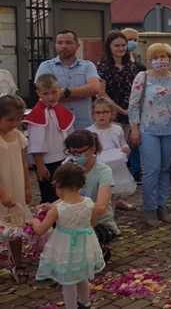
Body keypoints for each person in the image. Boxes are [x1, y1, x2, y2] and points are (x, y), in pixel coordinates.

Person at [33, 163, 105, 309]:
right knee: (81, 275)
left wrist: (34, 220)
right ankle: (85, 302)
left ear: (57, 184)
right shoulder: (89, 203)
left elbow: (41, 230)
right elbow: (94, 223)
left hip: (66, 247)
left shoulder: (57, 208)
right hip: (84, 245)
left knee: (68, 281)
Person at [128, 43, 171, 227]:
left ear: (170, 58)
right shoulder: (142, 77)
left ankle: (162, 205)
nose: (160, 60)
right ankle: (149, 208)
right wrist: (134, 128)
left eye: (164, 56)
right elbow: (133, 103)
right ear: (150, 60)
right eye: (156, 57)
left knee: (165, 169)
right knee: (152, 169)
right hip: (148, 130)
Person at [64, 130, 116, 263]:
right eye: (71, 152)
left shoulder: (104, 171)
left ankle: (99, 250)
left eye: (78, 152)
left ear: (92, 149)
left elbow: (101, 207)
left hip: (101, 223)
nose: (74, 156)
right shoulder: (67, 168)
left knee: (78, 237)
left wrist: (70, 207)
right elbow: (62, 197)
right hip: (73, 220)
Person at [96, 30, 141, 181]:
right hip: (112, 115)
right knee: (111, 152)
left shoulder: (130, 65)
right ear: (109, 46)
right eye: (117, 45)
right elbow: (101, 92)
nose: (121, 48)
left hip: (129, 115)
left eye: (123, 45)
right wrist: (120, 110)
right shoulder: (103, 66)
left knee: (126, 151)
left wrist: (132, 110)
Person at [35, 30, 100, 130]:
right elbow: (45, 96)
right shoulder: (46, 66)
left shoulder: (88, 66)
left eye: (68, 42)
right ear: (55, 45)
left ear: (77, 46)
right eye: (60, 43)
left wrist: (63, 93)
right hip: (57, 126)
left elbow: (94, 88)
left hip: (84, 125)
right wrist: (82, 94)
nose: (64, 46)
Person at [24, 73, 74, 204]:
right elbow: (36, 143)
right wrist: (40, 166)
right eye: (46, 94)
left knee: (64, 192)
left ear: (59, 90)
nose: (51, 97)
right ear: (38, 93)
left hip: (64, 158)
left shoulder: (60, 109)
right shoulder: (37, 114)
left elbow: (69, 134)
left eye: (54, 92)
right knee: (50, 195)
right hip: (47, 162)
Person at [0, 94, 31, 286]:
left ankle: (17, 262)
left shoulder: (17, 136)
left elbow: (23, 163)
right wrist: (2, 193)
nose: (15, 123)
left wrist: (27, 187)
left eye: (18, 119)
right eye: (10, 119)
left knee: (15, 228)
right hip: (2, 188)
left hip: (15, 187)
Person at [87, 97, 136, 212]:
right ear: (93, 114)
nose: (101, 115)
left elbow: (122, 143)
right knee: (100, 192)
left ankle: (111, 214)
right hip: (98, 167)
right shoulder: (89, 131)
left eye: (105, 112)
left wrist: (125, 148)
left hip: (114, 166)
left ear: (112, 113)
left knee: (113, 193)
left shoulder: (117, 129)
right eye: (98, 112)